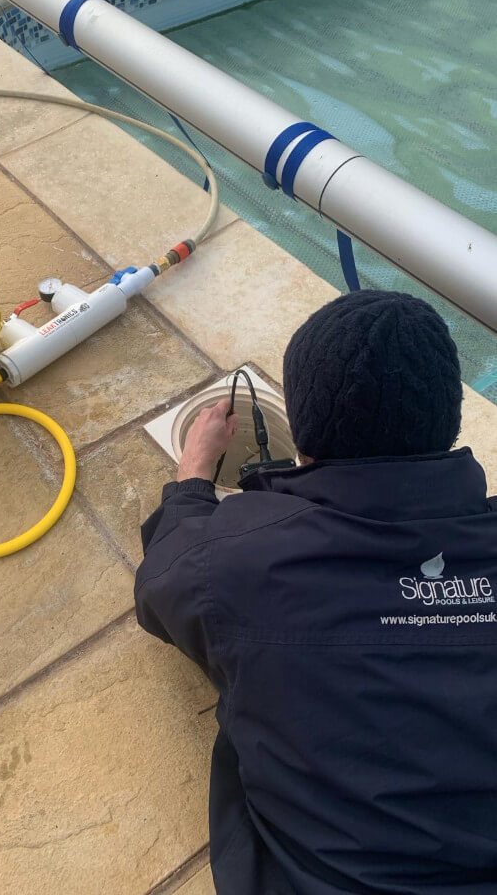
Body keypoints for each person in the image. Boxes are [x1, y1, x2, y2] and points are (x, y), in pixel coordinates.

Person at [135, 290, 497, 894]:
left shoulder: (232, 563)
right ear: (450, 422)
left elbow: (163, 581)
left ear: (301, 439)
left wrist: (193, 473)